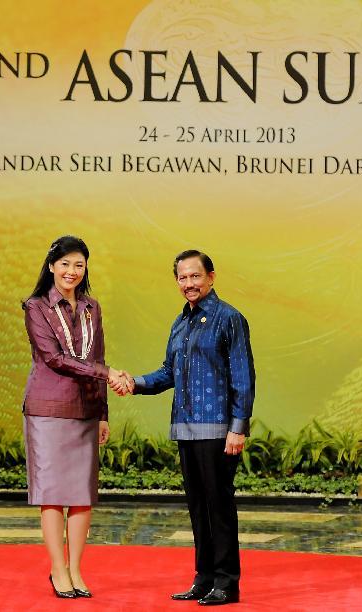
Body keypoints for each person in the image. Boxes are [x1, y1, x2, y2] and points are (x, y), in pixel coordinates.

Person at [112, 250, 255, 606]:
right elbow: (168, 372)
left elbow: (244, 376)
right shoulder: (180, 323)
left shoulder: (230, 318)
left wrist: (238, 427)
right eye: (182, 278)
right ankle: (203, 578)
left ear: (211, 277)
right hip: (185, 428)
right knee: (197, 507)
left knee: (218, 506)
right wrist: (136, 382)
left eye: (195, 276)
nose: (188, 283)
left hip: (218, 429)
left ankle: (226, 582)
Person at [22, 235, 128, 599]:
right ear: (51, 266)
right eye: (64, 264)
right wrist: (108, 374)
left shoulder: (91, 307)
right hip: (48, 409)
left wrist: (102, 413)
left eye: (79, 265)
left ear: (85, 269)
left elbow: (96, 355)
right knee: (52, 495)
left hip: (85, 410)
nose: (71, 271)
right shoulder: (36, 306)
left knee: (82, 495)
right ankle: (57, 569)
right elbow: (53, 358)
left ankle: (77, 570)